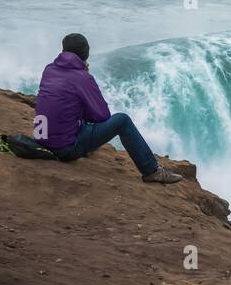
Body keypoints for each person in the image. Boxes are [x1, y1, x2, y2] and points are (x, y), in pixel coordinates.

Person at [35, 33, 182, 183]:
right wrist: (85, 74)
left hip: (41, 140)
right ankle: (152, 171)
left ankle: (85, 147)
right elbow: (102, 116)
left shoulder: (49, 69)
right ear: (86, 53)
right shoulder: (82, 77)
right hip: (64, 149)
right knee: (122, 121)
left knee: (72, 107)